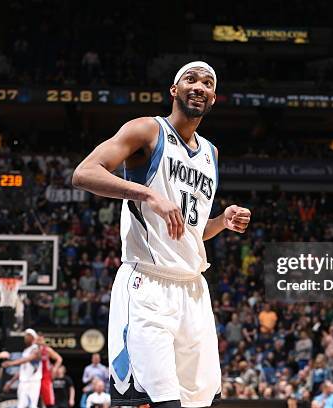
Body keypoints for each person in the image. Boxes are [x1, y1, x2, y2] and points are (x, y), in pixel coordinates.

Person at [72, 60, 251, 408]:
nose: (199, 86)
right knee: (157, 402)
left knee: (199, 402)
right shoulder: (146, 130)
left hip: (193, 289)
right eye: (191, 79)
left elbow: (191, 232)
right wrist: (148, 194)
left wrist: (221, 221)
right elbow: (83, 173)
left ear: (213, 98)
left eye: (207, 83)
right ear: (174, 90)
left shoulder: (211, 154)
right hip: (147, 285)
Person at [2, 329, 42, 408]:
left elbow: (26, 360)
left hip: (33, 382)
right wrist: (10, 382)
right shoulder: (26, 351)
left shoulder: (36, 349)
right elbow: (22, 370)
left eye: (28, 335)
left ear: (32, 337)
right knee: (21, 405)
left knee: (32, 405)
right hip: (23, 381)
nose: (25, 337)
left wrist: (11, 363)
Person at [37, 333, 63, 408]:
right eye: (38, 339)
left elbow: (59, 359)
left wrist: (54, 369)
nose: (39, 341)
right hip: (35, 377)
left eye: (41, 339)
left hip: (45, 376)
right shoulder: (33, 350)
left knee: (48, 401)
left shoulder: (47, 350)